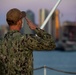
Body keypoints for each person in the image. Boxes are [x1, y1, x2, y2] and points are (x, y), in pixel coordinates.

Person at [0, 8, 56, 75]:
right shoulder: (26, 39)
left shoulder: (1, 41)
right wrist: (35, 28)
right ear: (19, 22)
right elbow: (51, 43)